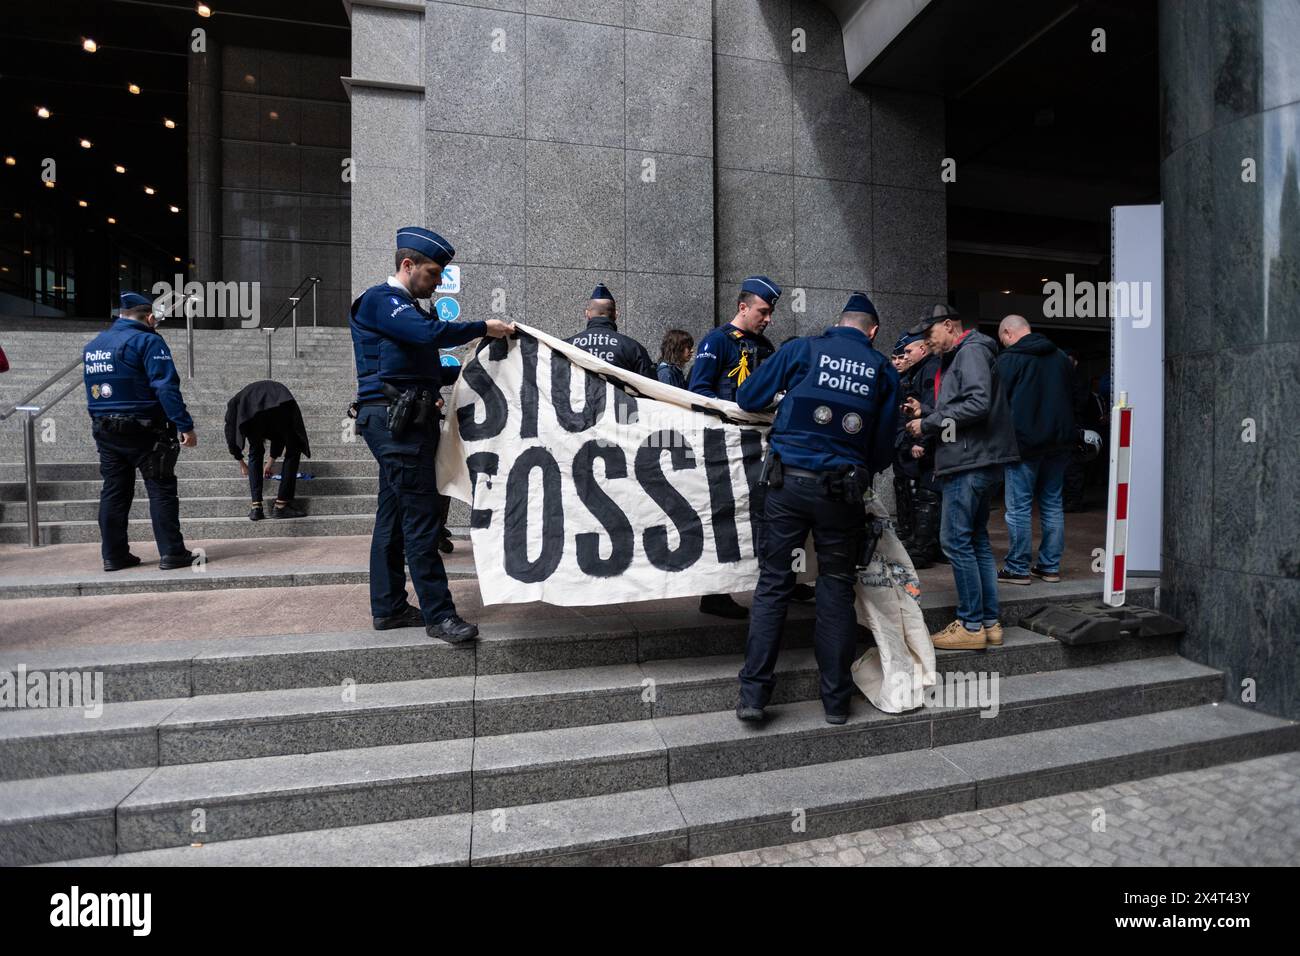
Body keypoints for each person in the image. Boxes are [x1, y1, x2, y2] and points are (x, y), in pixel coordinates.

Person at [734, 292, 898, 724]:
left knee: (774, 584)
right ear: (873, 331)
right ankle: (836, 703)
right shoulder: (882, 369)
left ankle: (753, 697)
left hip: (786, 485)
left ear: (838, 323)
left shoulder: (801, 349)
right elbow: (883, 448)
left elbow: (749, 397)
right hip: (842, 495)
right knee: (835, 589)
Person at [350, 227, 515, 643]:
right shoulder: (381, 301)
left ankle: (388, 607)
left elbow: (424, 368)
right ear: (408, 266)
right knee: (422, 519)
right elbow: (428, 337)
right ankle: (439, 616)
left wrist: (476, 370)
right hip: (395, 422)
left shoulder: (406, 309)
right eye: (433, 272)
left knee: (392, 517)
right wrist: (485, 327)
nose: (438, 281)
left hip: (403, 419)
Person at [902, 307, 1018, 650]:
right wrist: (927, 412)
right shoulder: (967, 353)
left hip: (969, 461)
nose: (926, 340)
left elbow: (978, 403)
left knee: (954, 541)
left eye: (929, 333)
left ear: (949, 325)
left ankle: (970, 624)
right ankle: (988, 622)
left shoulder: (971, 351)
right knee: (976, 540)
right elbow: (965, 403)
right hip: (976, 459)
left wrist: (928, 424)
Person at [83, 291, 198, 572]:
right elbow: (165, 386)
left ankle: (114, 555)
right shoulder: (148, 340)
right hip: (146, 427)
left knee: (114, 491)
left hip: (105, 428)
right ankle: (172, 553)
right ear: (149, 318)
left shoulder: (94, 345)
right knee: (160, 489)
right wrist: (184, 424)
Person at [690, 275, 781, 619]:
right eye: (763, 311)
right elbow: (698, 390)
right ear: (743, 307)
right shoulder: (717, 341)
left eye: (770, 312)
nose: (768, 318)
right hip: (723, 446)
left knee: (764, 513)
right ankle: (714, 593)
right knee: (723, 517)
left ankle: (784, 577)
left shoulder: (767, 348)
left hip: (759, 447)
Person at [994, 315, 1075, 585]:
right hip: (1060, 443)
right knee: (1052, 505)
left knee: (1019, 508)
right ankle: (1049, 566)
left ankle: (1018, 567)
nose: (1003, 344)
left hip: (1024, 444)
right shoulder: (1061, 357)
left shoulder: (1010, 359)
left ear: (1008, 333)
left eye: (1002, 338)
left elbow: (996, 401)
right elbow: (1075, 395)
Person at [224, 380, 312, 521]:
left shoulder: (237, 403)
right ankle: (281, 506)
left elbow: (230, 436)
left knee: (255, 450)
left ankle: (256, 507)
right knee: (293, 448)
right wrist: (248, 462)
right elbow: (280, 436)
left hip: (265, 405)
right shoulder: (237, 403)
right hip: (281, 400)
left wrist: (243, 463)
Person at [564, 283, 654, 377]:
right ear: (616, 314)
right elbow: (650, 385)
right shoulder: (633, 348)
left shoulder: (566, 346)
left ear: (587, 314)